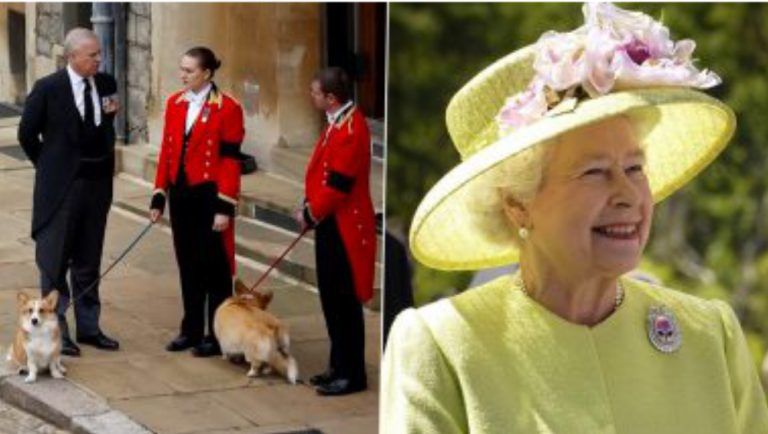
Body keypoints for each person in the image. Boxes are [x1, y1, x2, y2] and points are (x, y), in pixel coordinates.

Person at [382, 3, 768, 433]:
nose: (628, 194)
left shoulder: (711, 336)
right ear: (518, 203)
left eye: (635, 168)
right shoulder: (443, 345)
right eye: (595, 172)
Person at [18, 27, 120, 357]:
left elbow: (107, 124)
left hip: (97, 186)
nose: (98, 60)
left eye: (99, 54)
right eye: (92, 55)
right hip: (61, 190)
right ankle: (57, 328)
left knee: (88, 260)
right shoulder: (48, 89)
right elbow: (26, 135)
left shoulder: (106, 85)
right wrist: (49, 167)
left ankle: (89, 327)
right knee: (55, 260)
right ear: (71, 56)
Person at [149, 46, 244, 357]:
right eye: (182, 69)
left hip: (210, 196)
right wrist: (159, 194)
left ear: (206, 73)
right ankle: (190, 330)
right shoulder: (175, 103)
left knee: (214, 269)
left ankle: (217, 336)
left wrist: (224, 207)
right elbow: (167, 151)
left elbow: (230, 162)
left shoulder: (228, 108)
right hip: (181, 195)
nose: (183, 75)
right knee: (187, 263)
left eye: (189, 71)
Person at [297, 67, 376, 396]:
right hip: (330, 222)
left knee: (344, 302)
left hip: (344, 224)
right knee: (331, 298)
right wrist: (309, 203)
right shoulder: (337, 122)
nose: (311, 96)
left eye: (315, 93)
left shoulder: (350, 129)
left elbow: (339, 187)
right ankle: (337, 364)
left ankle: (352, 373)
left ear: (330, 98)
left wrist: (309, 212)